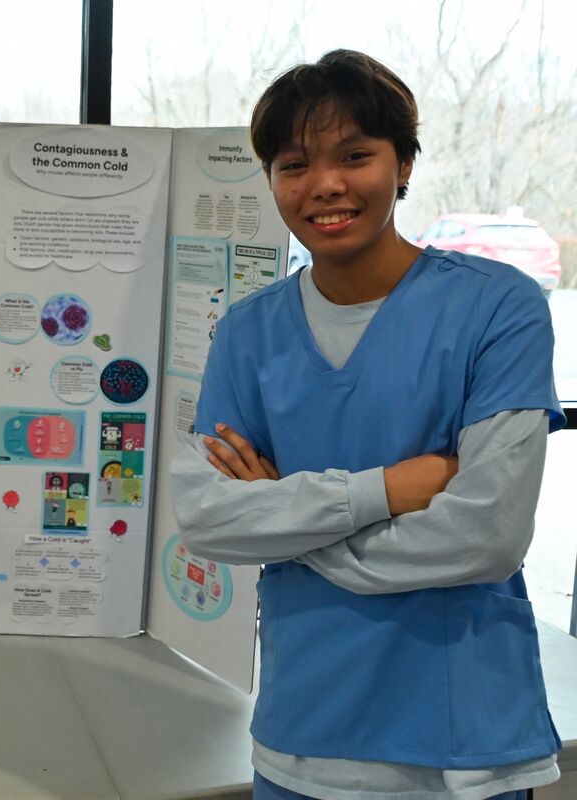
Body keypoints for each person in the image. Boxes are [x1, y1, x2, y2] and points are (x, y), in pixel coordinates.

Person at [170, 50, 563, 800]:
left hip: (463, 748)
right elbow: (209, 522)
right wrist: (386, 490)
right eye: (294, 164)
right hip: (301, 740)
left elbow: (488, 534)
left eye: (355, 156)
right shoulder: (248, 333)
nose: (324, 185)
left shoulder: (498, 308)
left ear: (404, 164)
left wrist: (289, 523)